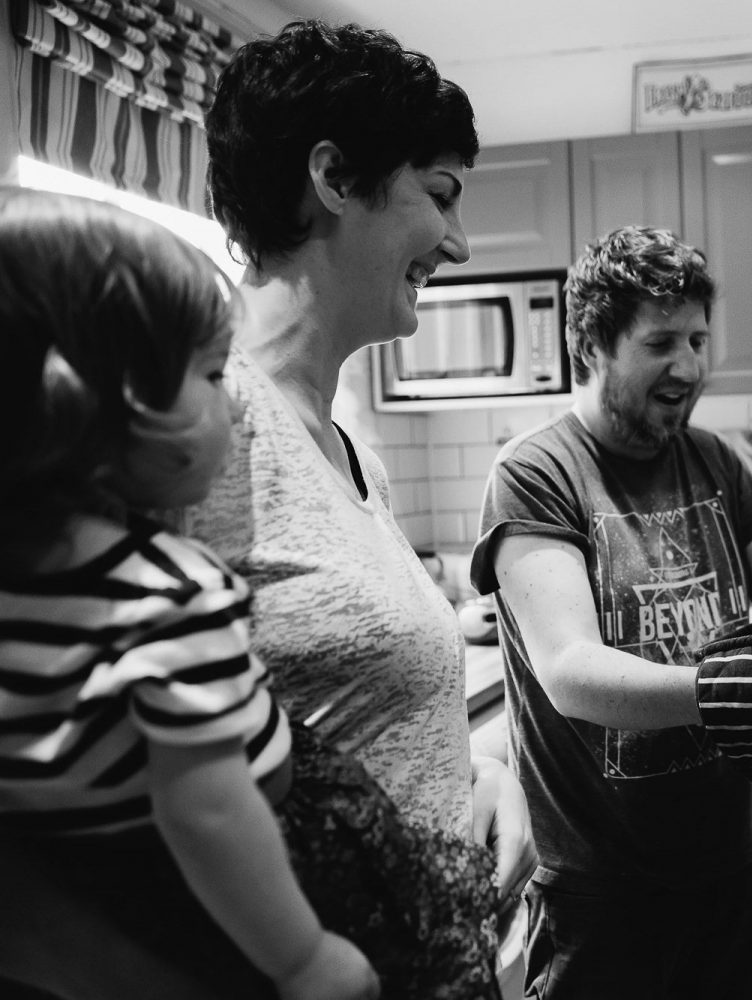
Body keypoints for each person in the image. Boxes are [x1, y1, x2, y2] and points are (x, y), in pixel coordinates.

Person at [0, 189, 507, 999]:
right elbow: (205, 809)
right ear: (105, 410)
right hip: (258, 942)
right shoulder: (170, 596)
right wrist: (305, 960)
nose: (236, 398)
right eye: (208, 373)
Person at [179, 16, 535, 924]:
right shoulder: (203, 430)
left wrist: (484, 778)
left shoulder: (349, 452)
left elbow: (351, 726)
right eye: (440, 193)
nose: (457, 244)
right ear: (335, 179)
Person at [469, 226, 752, 999]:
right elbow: (570, 673)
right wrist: (732, 687)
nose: (689, 367)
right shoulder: (536, 474)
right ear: (593, 343)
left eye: (698, 339)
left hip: (728, 867)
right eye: (661, 342)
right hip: (599, 891)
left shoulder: (717, 462)